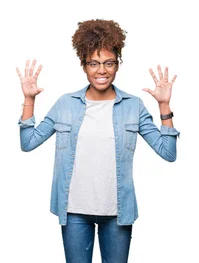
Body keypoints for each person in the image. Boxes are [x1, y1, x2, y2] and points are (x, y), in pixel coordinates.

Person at [17, 19, 179, 263]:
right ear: (84, 65)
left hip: (117, 212)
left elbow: (168, 152)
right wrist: (29, 100)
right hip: (73, 211)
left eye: (108, 63)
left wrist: (164, 107)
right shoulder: (66, 104)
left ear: (117, 65)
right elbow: (28, 142)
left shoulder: (133, 106)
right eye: (93, 63)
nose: (101, 71)